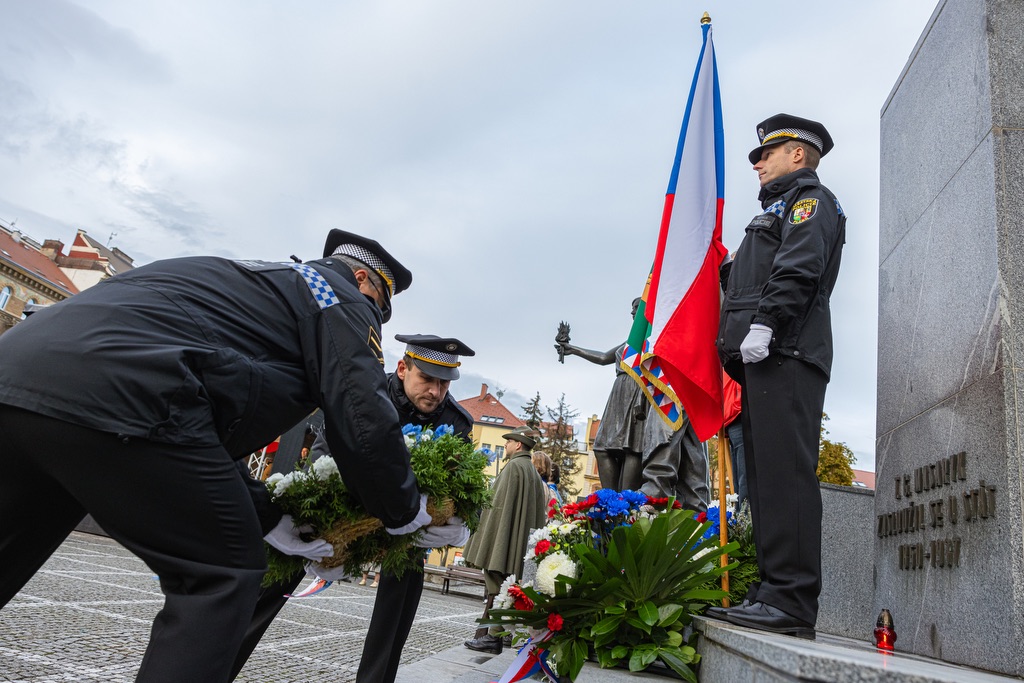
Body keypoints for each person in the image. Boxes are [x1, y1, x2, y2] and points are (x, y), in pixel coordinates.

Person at [0, 229, 435, 683]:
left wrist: (268, 515)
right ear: (364, 279)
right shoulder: (337, 295)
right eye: (381, 307)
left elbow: (203, 412)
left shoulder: (243, 276)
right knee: (223, 571)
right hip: (122, 394)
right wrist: (406, 512)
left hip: (16, 376)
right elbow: (360, 408)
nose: (376, 319)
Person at [231, 334, 476, 683]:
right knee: (280, 567)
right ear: (403, 368)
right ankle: (218, 666)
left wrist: (463, 522)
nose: (436, 392)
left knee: (407, 579)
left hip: (407, 524)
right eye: (428, 379)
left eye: (444, 384)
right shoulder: (362, 395)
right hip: (341, 505)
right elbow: (322, 455)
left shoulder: (456, 422)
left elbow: (464, 486)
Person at [709, 114, 846, 640]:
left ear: (797, 155)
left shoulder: (809, 202)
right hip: (761, 357)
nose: (758, 163)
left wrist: (765, 323)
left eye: (766, 154)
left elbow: (800, 266)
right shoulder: (774, 212)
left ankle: (790, 599)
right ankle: (770, 592)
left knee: (785, 476)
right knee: (763, 482)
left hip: (786, 350)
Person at [463, 426, 549, 655]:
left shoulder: (513, 468)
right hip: (517, 541)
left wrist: (486, 540)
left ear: (518, 444)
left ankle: (493, 638)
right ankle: (495, 635)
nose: (506, 446)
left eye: (508, 441)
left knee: (498, 584)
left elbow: (496, 509)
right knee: (507, 587)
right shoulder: (531, 471)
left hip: (503, 540)